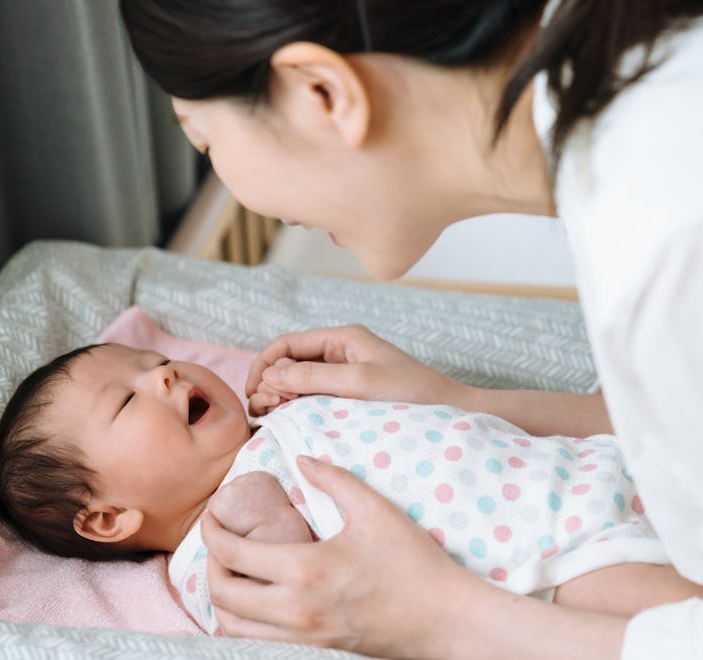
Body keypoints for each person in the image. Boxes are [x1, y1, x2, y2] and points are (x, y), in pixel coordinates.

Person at [118, 1, 703, 657]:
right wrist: (468, 405)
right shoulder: (640, 115)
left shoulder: (668, 245)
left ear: (322, 92)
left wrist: (443, 618)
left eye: (205, 141)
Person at [0, 342, 703, 636]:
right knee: (671, 616)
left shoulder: (281, 423)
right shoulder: (211, 557)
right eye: (127, 402)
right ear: (109, 518)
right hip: (555, 566)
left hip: (583, 465)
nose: (166, 376)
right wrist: (259, 516)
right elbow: (296, 615)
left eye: (158, 360)